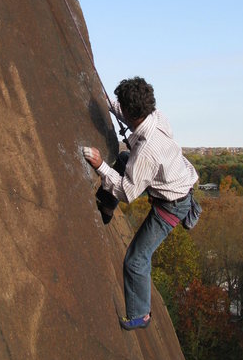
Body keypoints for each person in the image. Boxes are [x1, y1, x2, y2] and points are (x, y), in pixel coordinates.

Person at [83, 77, 199, 331]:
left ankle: (140, 315)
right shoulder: (155, 116)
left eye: (123, 107)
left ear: (131, 112)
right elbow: (134, 118)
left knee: (136, 260)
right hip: (174, 186)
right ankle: (105, 207)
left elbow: (127, 192)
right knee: (125, 158)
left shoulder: (148, 150)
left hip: (170, 206)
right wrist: (113, 106)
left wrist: (100, 165)